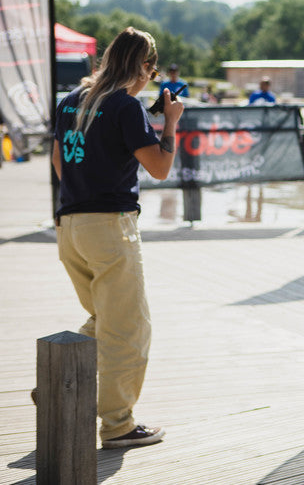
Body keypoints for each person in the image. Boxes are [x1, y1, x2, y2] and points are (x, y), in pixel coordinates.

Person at [50, 27, 184, 449]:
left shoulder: (72, 101)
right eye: (152, 68)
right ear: (143, 67)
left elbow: (59, 161)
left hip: (69, 225)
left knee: (103, 318)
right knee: (128, 329)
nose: (151, 76)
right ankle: (118, 425)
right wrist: (171, 125)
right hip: (109, 226)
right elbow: (160, 168)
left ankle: (56, 385)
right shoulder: (126, 107)